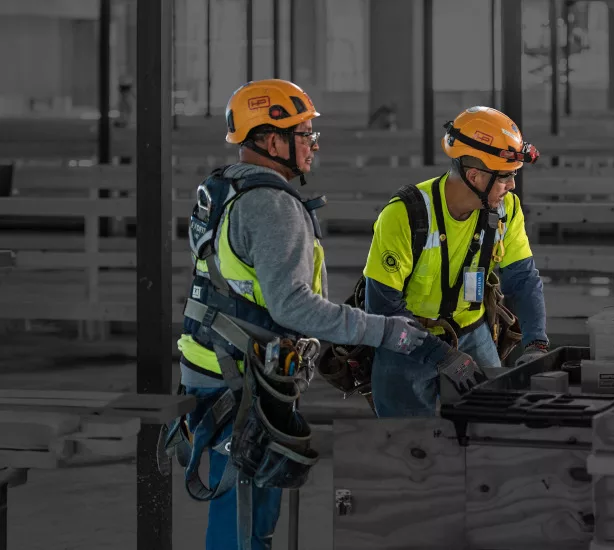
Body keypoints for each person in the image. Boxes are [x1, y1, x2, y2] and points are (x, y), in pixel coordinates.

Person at [171, 79, 428, 550]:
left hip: (211, 366)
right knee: (247, 517)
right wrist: (386, 331)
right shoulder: (272, 206)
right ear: (272, 141)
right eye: (304, 133)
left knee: (240, 508)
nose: (313, 143)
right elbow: (292, 305)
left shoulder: (223, 189)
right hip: (244, 380)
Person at [361, 106, 550, 417]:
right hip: (407, 343)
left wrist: (536, 344)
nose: (512, 187)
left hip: (473, 334)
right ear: (475, 176)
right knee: (407, 449)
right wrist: (441, 355)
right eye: (505, 178)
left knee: (489, 434)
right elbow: (382, 307)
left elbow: (522, 278)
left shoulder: (506, 209)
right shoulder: (405, 214)